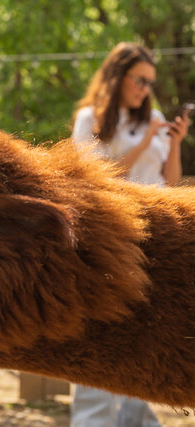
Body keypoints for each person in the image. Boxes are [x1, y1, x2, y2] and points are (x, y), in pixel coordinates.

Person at [69, 42, 191, 427]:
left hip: (158, 236)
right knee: (102, 332)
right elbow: (93, 181)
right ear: (118, 76)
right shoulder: (90, 119)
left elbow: (169, 182)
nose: (144, 89)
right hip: (112, 236)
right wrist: (141, 143)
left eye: (149, 83)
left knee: (145, 334)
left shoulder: (152, 117)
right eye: (139, 79)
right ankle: (94, 420)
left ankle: (134, 418)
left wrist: (173, 143)